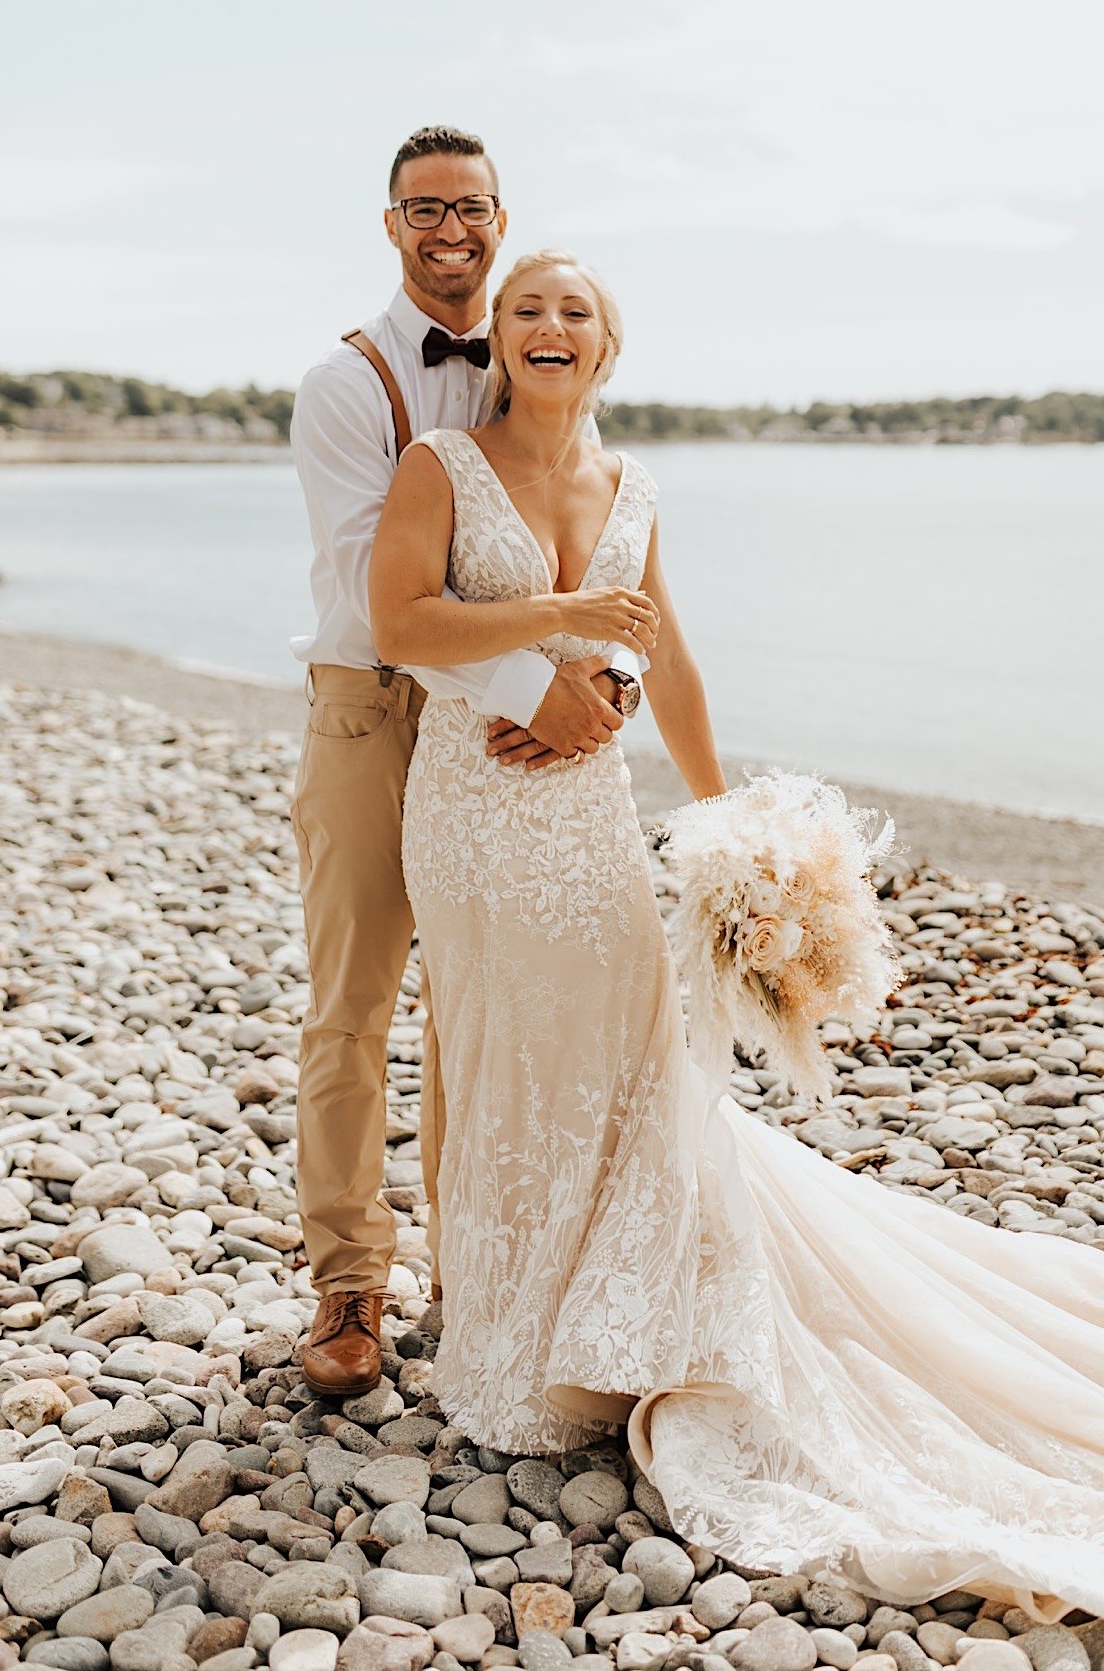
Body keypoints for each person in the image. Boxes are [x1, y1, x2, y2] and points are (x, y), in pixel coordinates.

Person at [367, 248, 1104, 1671]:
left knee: (625, 1057)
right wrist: (561, 632)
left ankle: (606, 1329)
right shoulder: (445, 460)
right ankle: (514, 1354)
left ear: (610, 348)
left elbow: (666, 659)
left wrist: (726, 808)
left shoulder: (638, 487)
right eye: (529, 308)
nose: (550, 325)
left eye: (577, 310)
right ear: (500, 337)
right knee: (506, 1053)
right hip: (474, 815)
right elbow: (403, 621)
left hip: (586, 815)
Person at [288, 127, 647, 1395]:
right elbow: (384, 595)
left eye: (474, 207)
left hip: (514, 716)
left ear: (500, 219)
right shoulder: (346, 387)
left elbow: (591, 567)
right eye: (425, 207)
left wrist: (610, 683)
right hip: (371, 713)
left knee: (480, 1009)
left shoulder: (528, 361)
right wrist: (530, 688)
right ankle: (348, 1284)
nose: (452, 228)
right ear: (391, 222)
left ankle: (476, 1270)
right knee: (353, 1004)